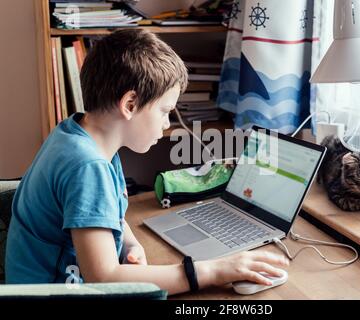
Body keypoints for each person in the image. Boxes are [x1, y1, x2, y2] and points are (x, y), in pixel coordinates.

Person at [5, 29, 288, 295]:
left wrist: (129, 243)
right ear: (130, 104)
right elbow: (103, 279)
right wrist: (214, 270)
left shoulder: (81, 135)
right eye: (165, 111)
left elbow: (107, 211)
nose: (167, 124)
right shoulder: (87, 167)